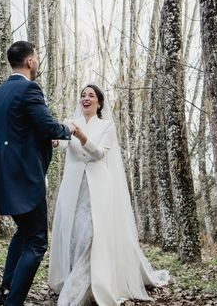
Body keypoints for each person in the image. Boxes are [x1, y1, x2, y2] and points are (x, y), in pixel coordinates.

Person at [49, 84, 169, 306]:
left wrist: (83, 136)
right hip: (73, 186)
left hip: (98, 187)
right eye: (83, 95)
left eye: (91, 95)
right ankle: (73, 278)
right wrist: (55, 140)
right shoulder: (69, 121)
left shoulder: (107, 126)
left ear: (99, 102)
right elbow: (63, 144)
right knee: (75, 232)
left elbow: (100, 153)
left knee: (93, 234)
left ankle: (89, 285)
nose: (86, 98)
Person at [0, 41, 73, 306]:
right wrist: (68, 130)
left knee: (24, 233)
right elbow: (49, 126)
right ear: (30, 62)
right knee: (37, 242)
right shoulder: (30, 89)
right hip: (24, 178)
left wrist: (44, 139)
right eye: (37, 58)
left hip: (2, 176)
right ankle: (13, 301)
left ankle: (5, 289)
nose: (38, 62)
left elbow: (17, 131)